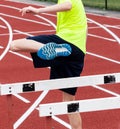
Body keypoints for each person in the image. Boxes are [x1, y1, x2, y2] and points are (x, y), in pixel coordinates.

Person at [10, 0, 87, 129]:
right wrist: (81, 54)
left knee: (14, 45)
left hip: (66, 42)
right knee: (69, 102)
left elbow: (67, 5)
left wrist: (38, 10)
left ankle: (54, 49)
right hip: (78, 52)